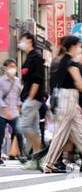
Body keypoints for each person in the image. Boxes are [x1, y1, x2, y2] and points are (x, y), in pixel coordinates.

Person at [43, 36, 82, 173]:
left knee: (81, 131)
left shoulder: (62, 60)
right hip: (67, 99)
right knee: (61, 133)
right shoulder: (70, 62)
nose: (80, 48)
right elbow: (80, 84)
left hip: (67, 99)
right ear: (73, 46)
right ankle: (49, 163)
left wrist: (75, 103)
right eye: (79, 45)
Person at [18, 33, 45, 170]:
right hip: (28, 97)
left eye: (22, 40)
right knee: (34, 129)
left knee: (23, 127)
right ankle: (36, 159)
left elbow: (37, 79)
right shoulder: (28, 57)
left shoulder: (36, 58)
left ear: (29, 40)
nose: (20, 42)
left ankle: (39, 153)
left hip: (33, 98)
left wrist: (30, 97)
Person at [0, 59, 25, 166]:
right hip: (2, 113)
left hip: (14, 113)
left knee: (19, 133)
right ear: (5, 68)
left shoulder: (17, 81)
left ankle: (22, 155)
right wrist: (5, 110)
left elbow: (18, 96)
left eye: (14, 66)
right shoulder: (1, 81)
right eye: (10, 66)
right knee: (0, 135)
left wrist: (19, 108)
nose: (13, 68)